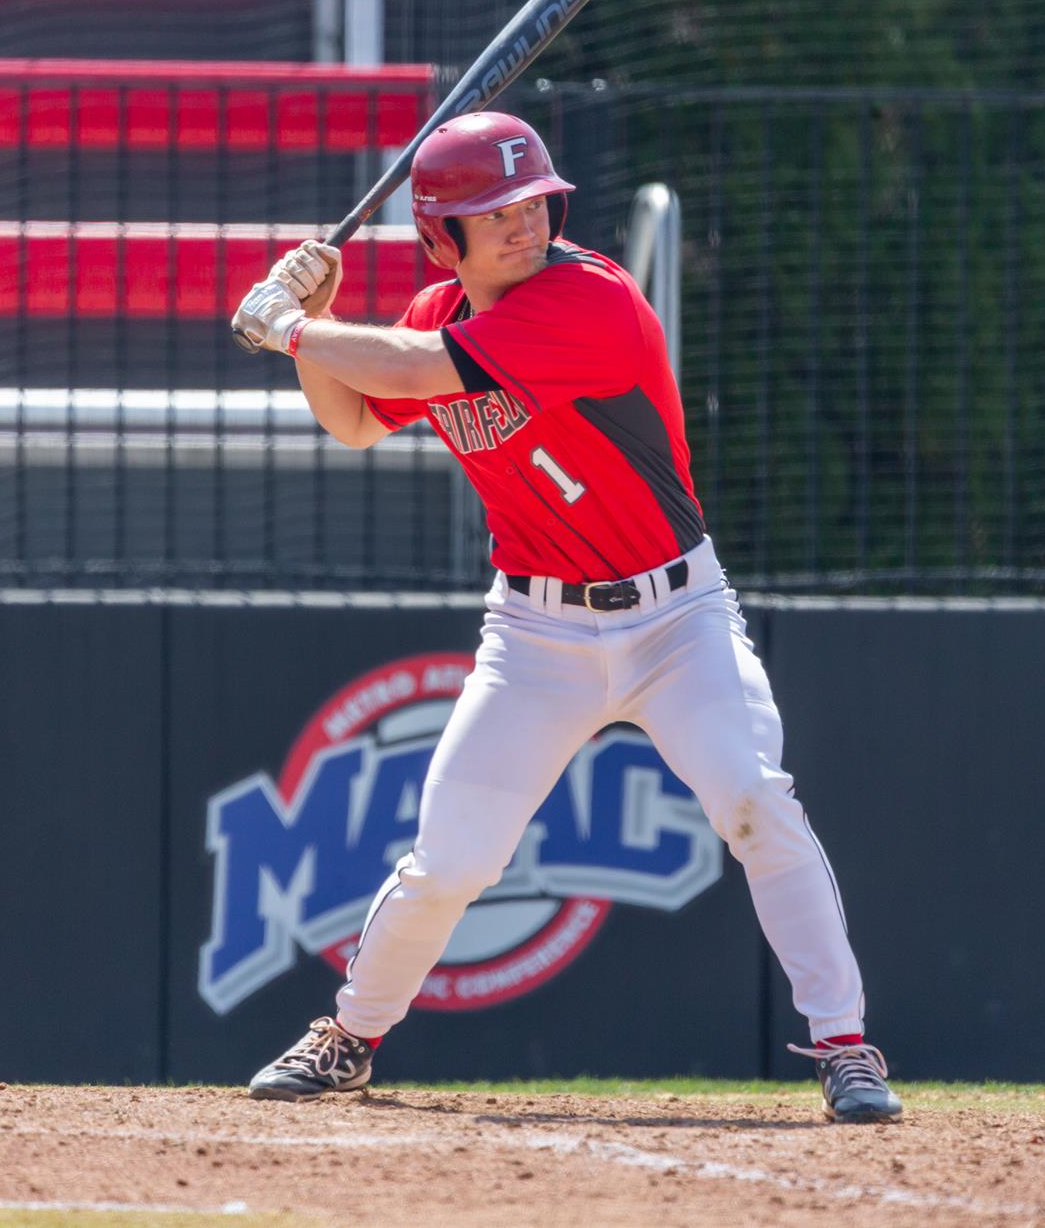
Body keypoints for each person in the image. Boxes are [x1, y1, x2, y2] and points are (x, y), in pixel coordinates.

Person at [229, 112, 899, 1123]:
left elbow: (411, 372)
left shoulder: (589, 300)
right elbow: (356, 419)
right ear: (441, 237)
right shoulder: (435, 309)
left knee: (755, 801)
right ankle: (349, 1036)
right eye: (494, 212)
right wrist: (311, 327)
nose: (525, 223)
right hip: (535, 632)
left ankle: (845, 1045)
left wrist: (290, 324)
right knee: (449, 858)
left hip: (674, 618)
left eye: (534, 202)